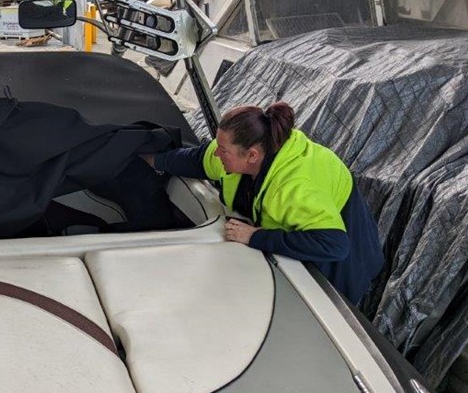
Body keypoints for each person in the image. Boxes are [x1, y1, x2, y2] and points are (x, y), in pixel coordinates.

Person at [144, 102, 383, 304]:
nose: (217, 153)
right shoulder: (239, 151)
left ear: (251, 156)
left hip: (342, 262)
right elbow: (198, 160)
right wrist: (154, 160)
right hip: (312, 233)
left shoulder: (293, 187)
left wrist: (255, 236)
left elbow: (333, 245)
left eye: (223, 150)